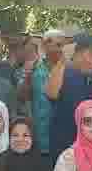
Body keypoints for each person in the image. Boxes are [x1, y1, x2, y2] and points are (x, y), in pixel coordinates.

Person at [17, 29, 66, 162]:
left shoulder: (71, 68)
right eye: (50, 42)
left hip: (64, 136)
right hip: (39, 136)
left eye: (60, 44)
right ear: (43, 46)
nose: (56, 47)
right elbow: (21, 96)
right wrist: (27, 76)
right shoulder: (34, 68)